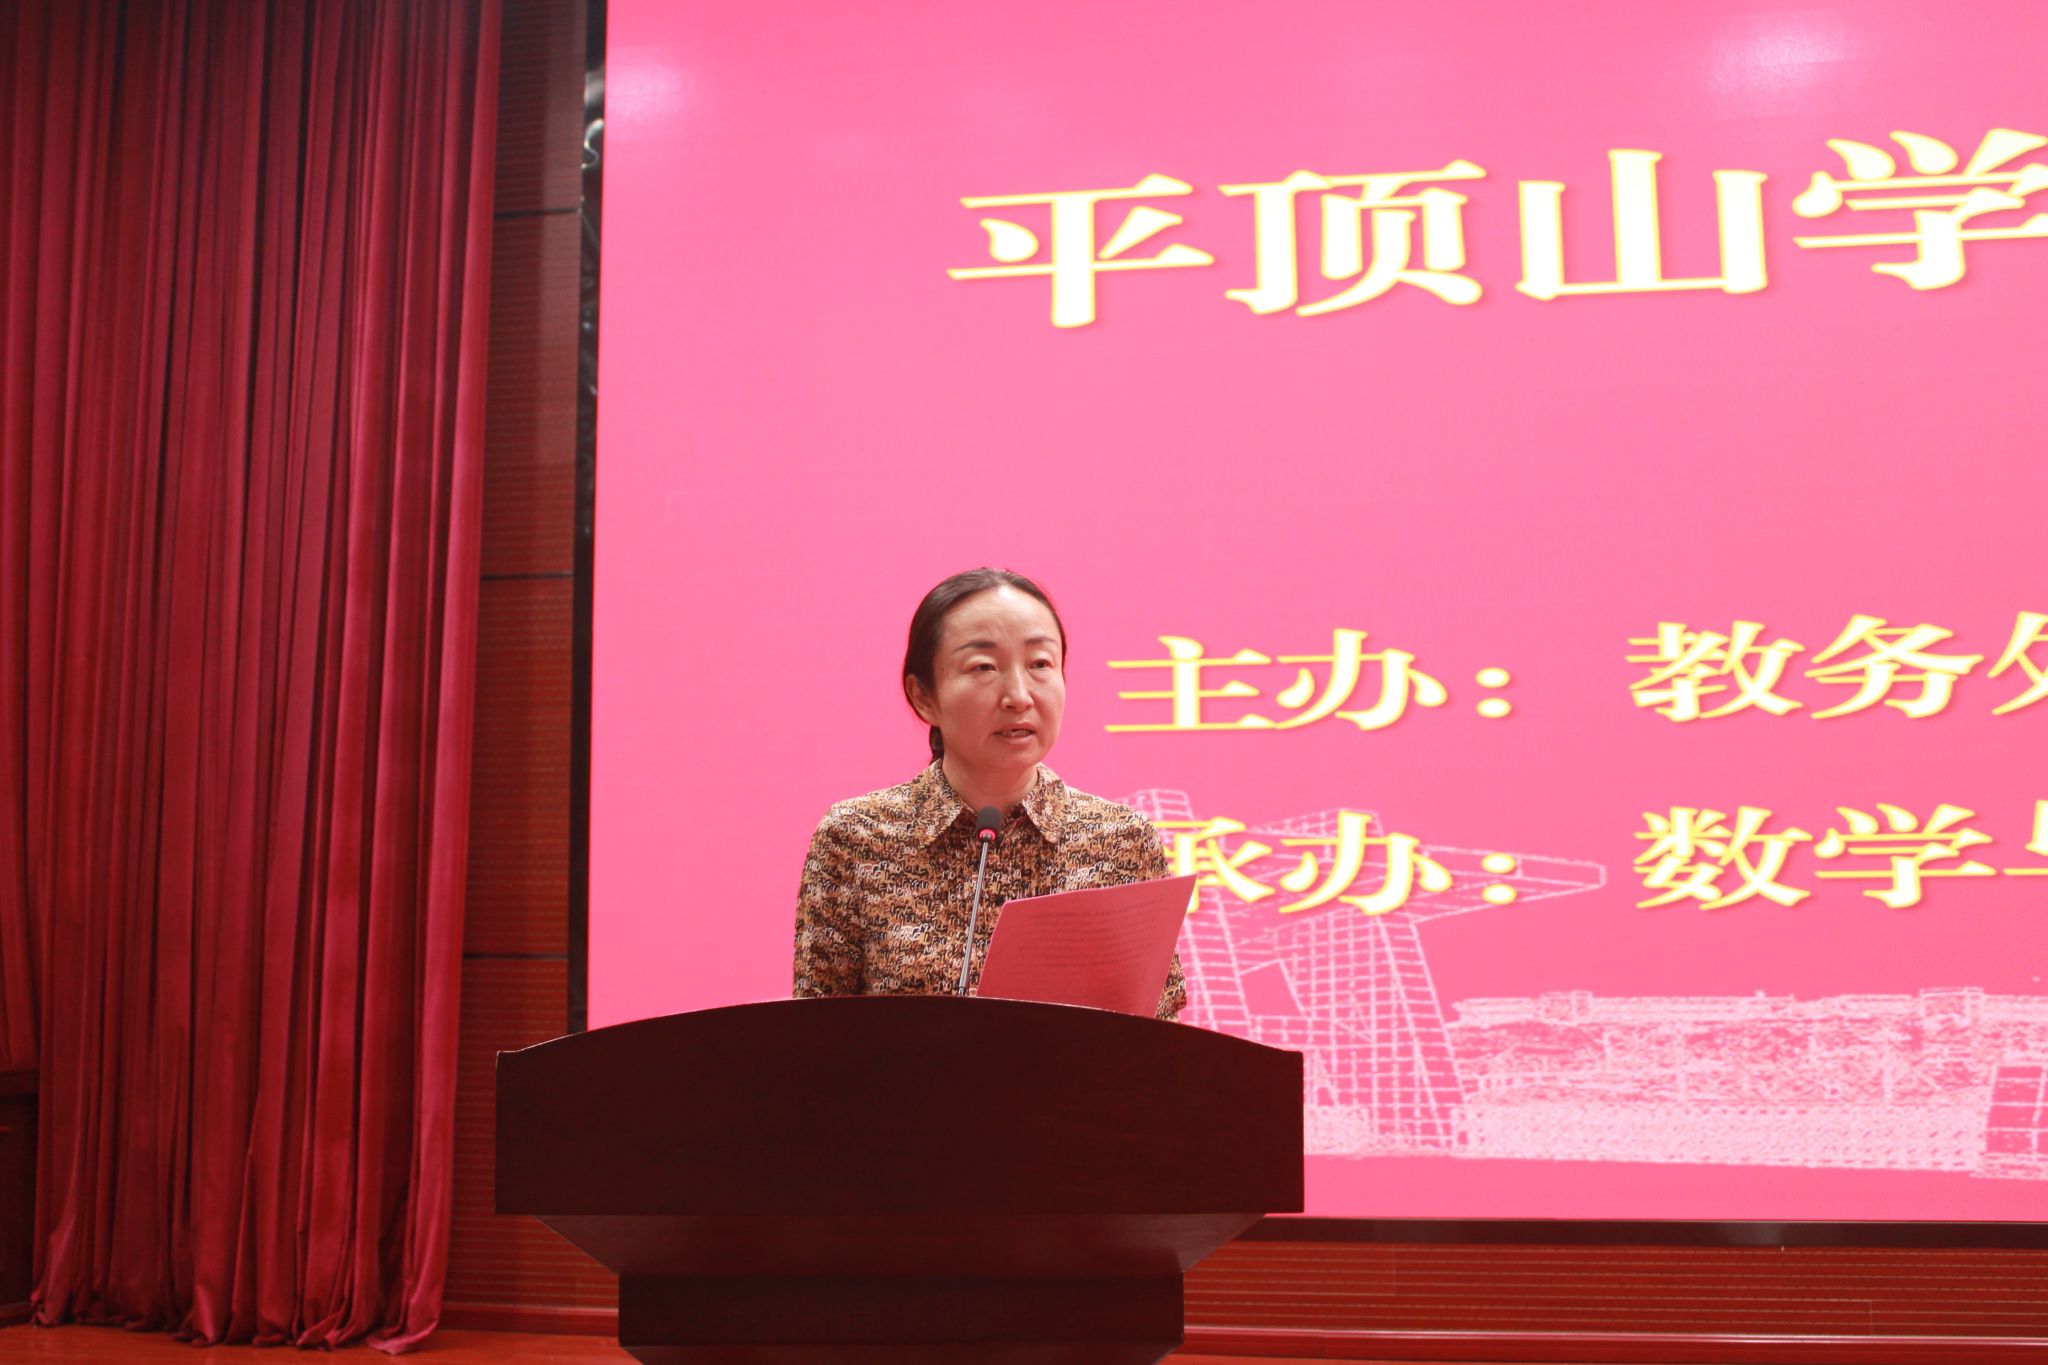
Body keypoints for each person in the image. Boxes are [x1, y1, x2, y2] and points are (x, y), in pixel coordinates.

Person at [793, 567, 1187, 1021]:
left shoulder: (1120, 840)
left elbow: (1158, 1035)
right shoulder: (858, 836)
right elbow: (816, 1036)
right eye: (984, 667)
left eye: (1040, 664)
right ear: (923, 697)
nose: (1019, 695)